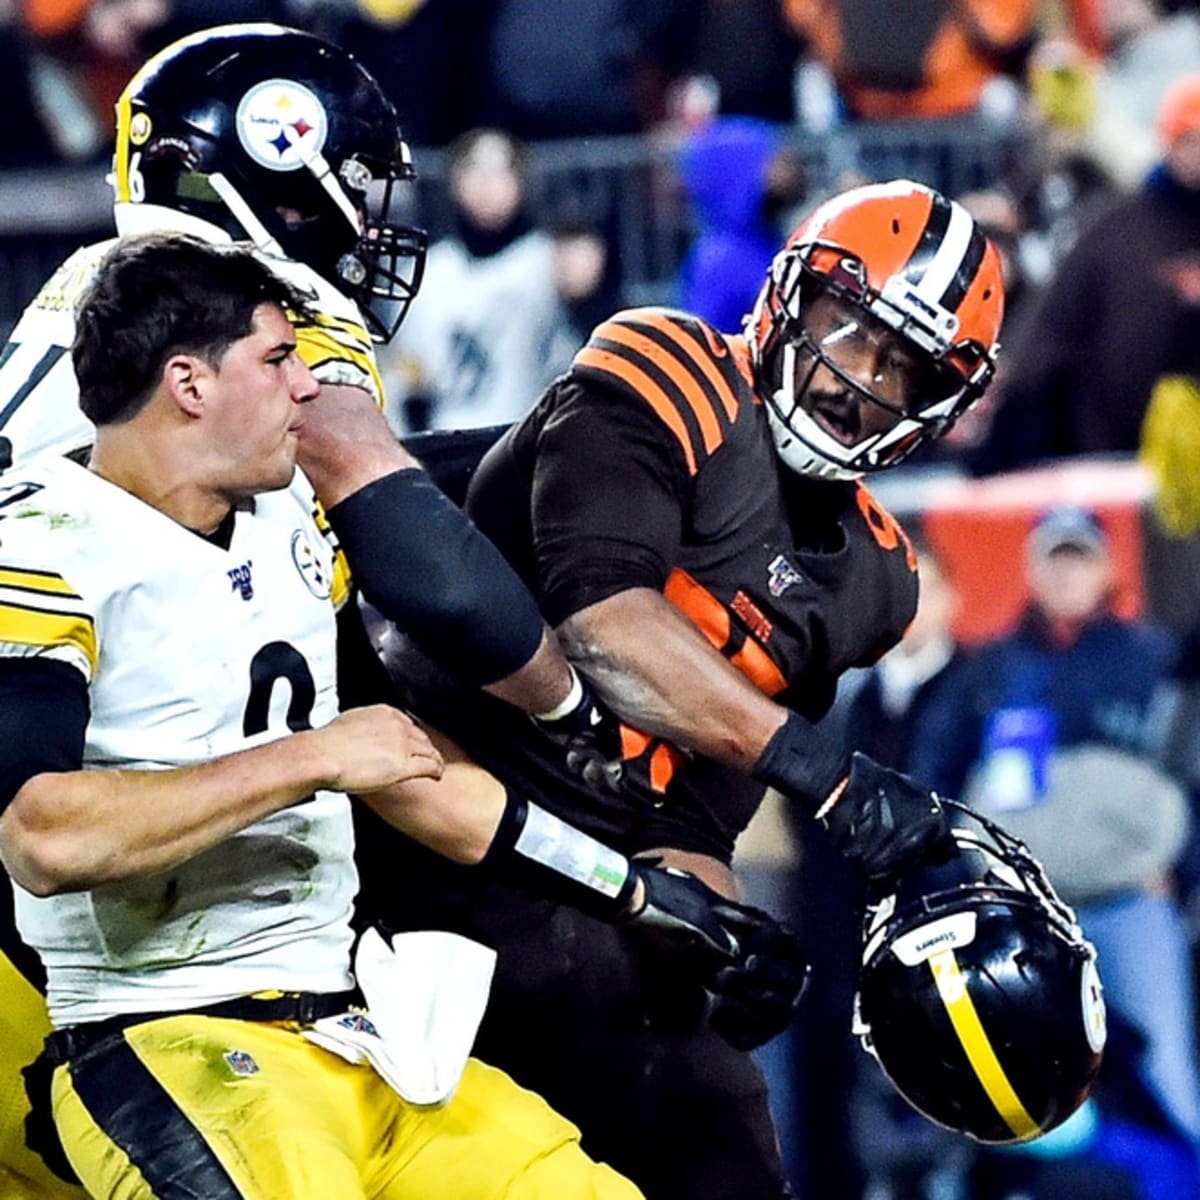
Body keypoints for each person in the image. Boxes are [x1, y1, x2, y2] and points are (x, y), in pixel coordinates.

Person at [0, 22, 671, 1197]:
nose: (366, 231)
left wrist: (635, 891)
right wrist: (567, 703)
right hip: (132, 976)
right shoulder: (217, 362)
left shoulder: (131, 339)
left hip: (296, 995)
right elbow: (431, 572)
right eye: (349, 196)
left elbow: (410, 768)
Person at [366, 179, 1011, 1200]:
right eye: (851, 333)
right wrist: (828, 775)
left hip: (599, 884)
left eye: (904, 366)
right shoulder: (670, 367)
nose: (861, 384)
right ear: (793, 298)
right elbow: (605, 627)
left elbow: (698, 817)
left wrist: (728, 938)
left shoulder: (875, 581)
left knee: (726, 1130)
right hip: (431, 801)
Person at [923, 505, 1200, 1188]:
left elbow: (1191, 775)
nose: (1067, 573)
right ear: (1031, 566)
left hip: (1129, 906)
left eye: (1080, 557)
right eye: (1055, 557)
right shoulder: (988, 670)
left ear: (1106, 567)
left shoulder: (1154, 661)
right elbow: (936, 779)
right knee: (1011, 1072)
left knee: (1165, 1066)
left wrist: (1184, 875)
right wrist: (967, 879)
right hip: (1022, 920)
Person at [379, 126, 563, 435]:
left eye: (499, 171)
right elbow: (412, 378)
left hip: (529, 440)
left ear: (521, 181)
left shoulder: (549, 262)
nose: (486, 185)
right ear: (454, 182)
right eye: (473, 170)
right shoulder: (431, 271)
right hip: (450, 440)